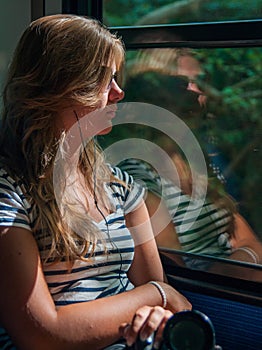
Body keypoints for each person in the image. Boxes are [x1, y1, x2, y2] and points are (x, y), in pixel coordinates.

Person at [0, 15, 192, 350]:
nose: (118, 92)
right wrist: (156, 295)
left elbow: (161, 305)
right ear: (61, 85)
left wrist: (157, 300)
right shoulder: (10, 191)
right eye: (104, 79)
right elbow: (41, 335)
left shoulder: (119, 186)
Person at [116, 48, 262, 270]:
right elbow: (173, 271)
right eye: (183, 84)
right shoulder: (137, 175)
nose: (196, 93)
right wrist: (242, 265)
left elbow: (248, 239)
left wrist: (244, 259)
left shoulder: (196, 158)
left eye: (197, 82)